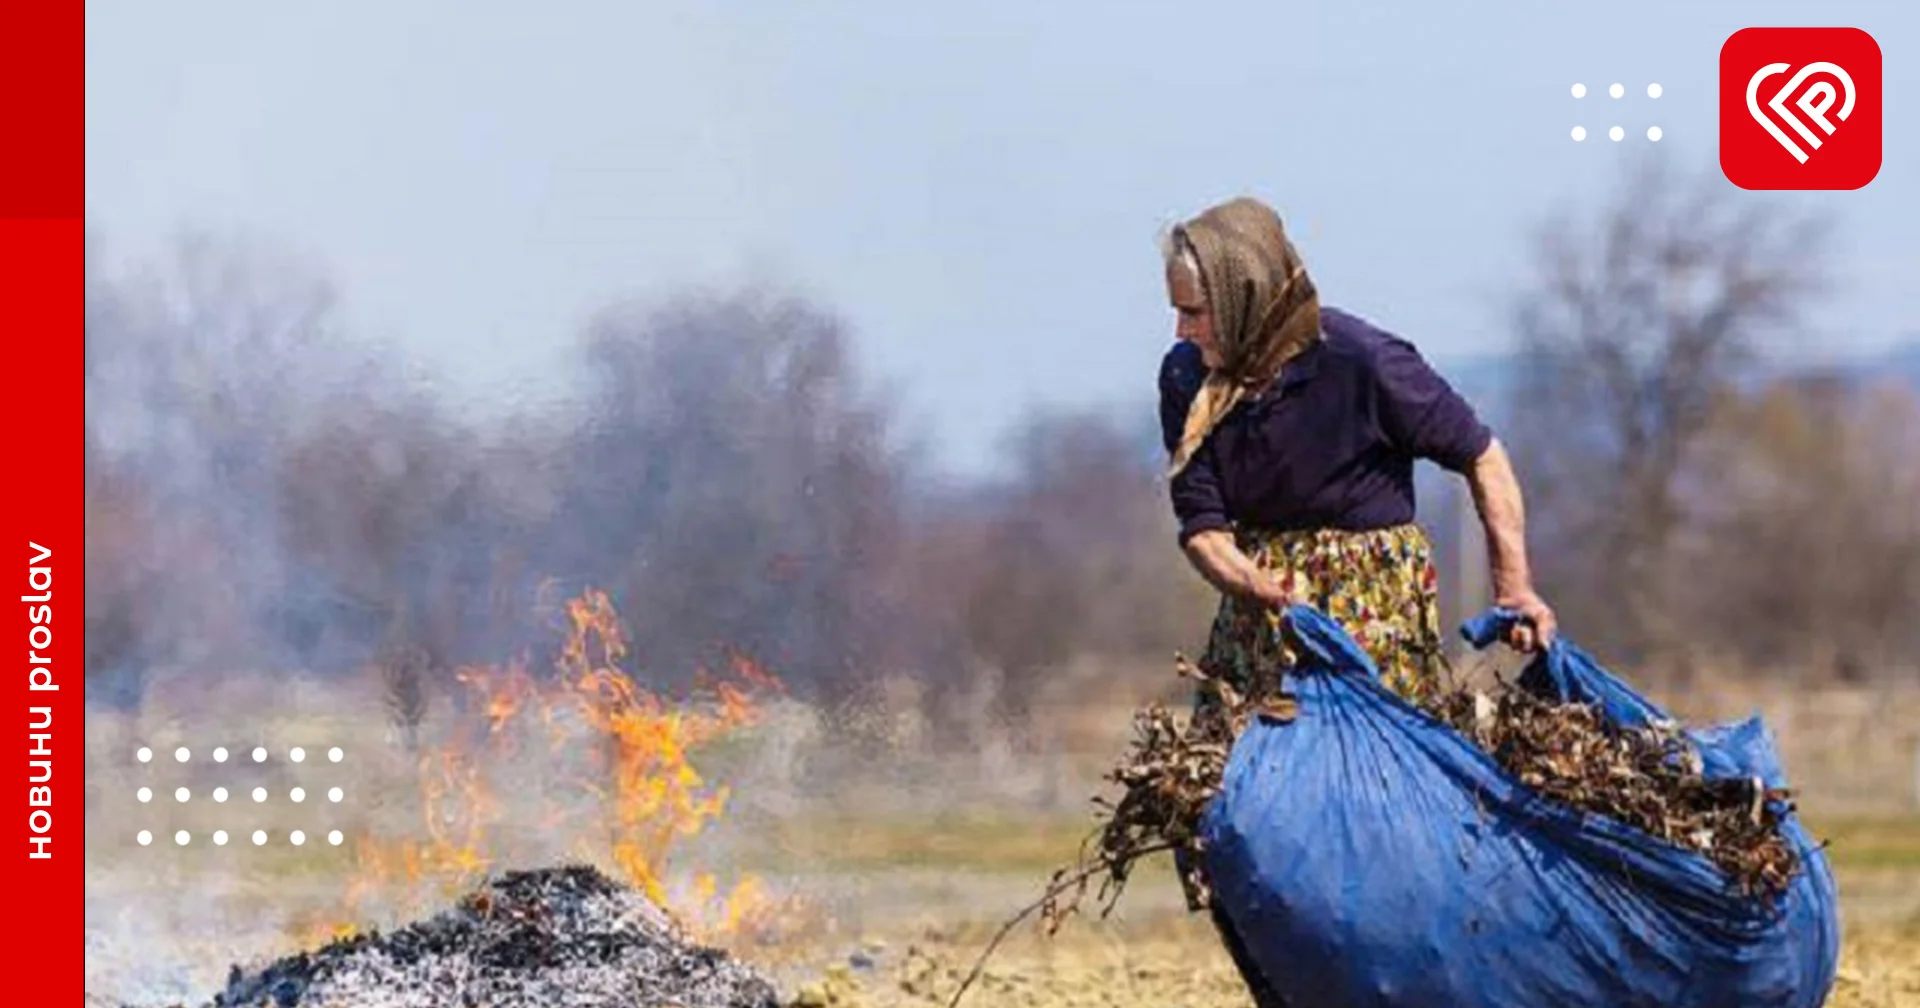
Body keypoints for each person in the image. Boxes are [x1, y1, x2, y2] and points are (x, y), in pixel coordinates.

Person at [1155, 196, 1557, 1007]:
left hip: (1368, 604)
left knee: (1373, 815)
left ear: (1243, 295)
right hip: (1259, 601)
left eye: (1194, 312)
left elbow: (1483, 458)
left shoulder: (1361, 359)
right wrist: (1252, 584)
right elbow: (1200, 523)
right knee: (1209, 809)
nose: (1180, 331)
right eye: (1175, 312)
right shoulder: (1187, 379)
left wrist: (1512, 582)